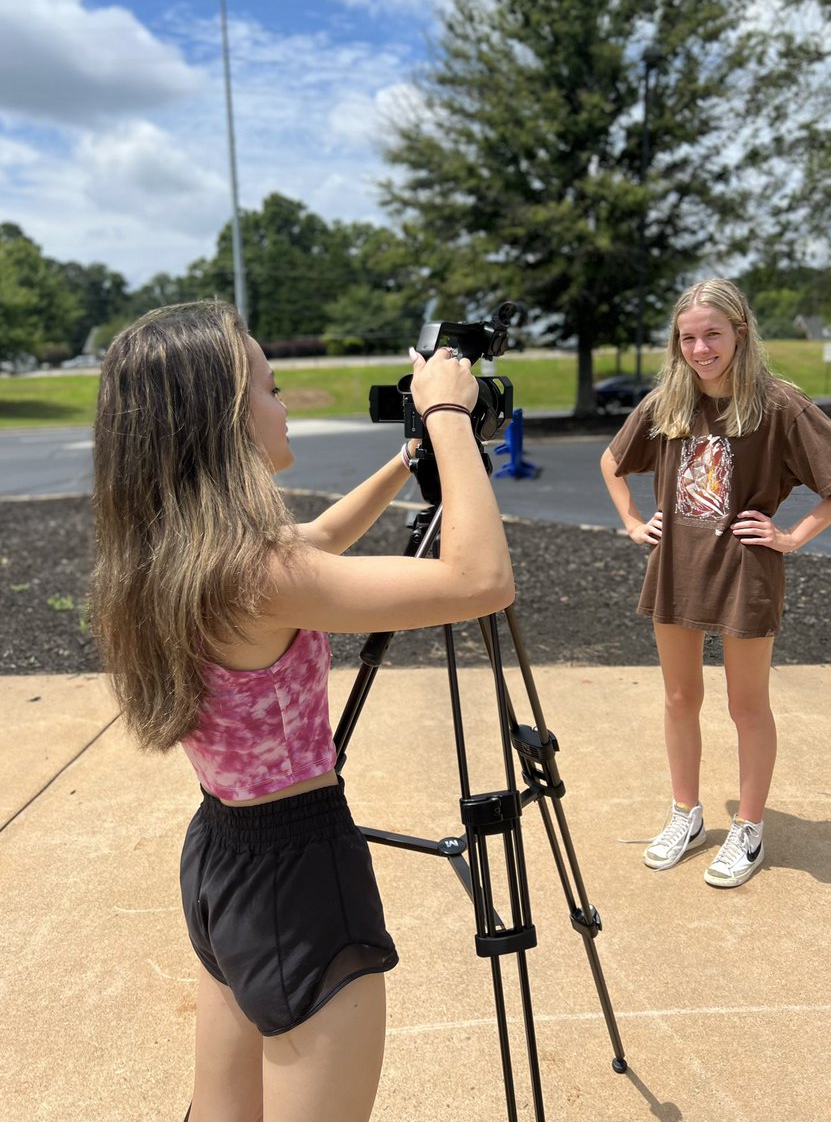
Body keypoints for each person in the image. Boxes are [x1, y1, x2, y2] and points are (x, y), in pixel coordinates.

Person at [90, 300, 515, 1122]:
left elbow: (315, 537)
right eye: (274, 390)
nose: (285, 407)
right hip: (300, 878)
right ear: (225, 420)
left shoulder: (176, 555)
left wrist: (406, 458)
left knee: (222, 1109)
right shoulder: (259, 573)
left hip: (224, 857)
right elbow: (480, 580)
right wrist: (451, 416)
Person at [600, 278, 831, 889]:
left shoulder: (778, 403)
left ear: (740, 332)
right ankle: (686, 814)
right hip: (675, 567)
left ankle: (748, 827)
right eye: (688, 337)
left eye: (713, 335)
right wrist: (631, 522)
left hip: (747, 570)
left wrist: (793, 535)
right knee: (679, 699)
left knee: (746, 705)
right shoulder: (669, 401)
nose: (700, 349)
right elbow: (612, 463)